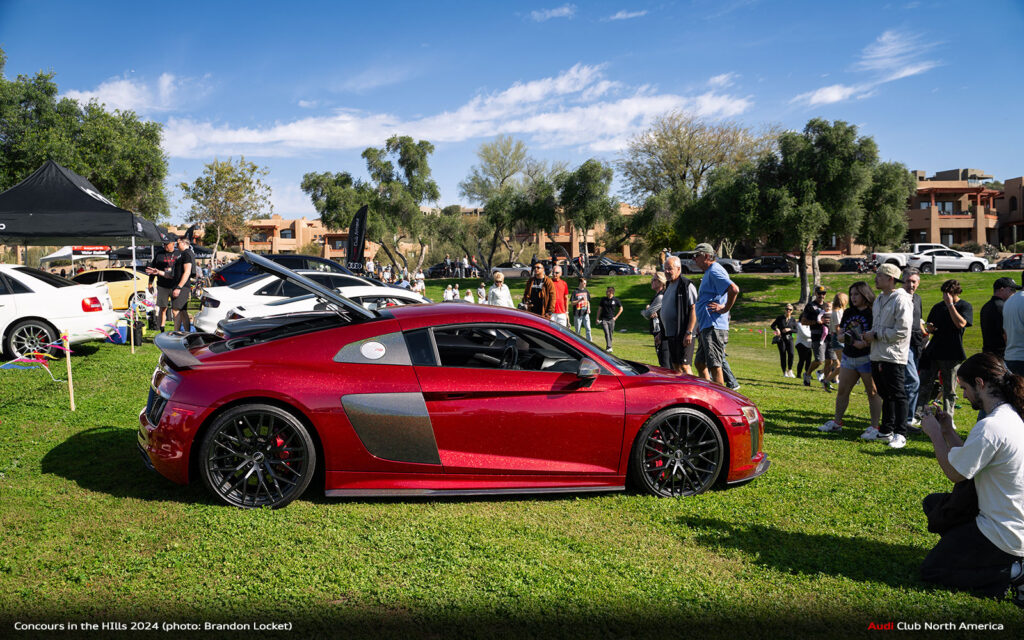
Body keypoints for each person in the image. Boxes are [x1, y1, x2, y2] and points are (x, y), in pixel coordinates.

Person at [919, 353, 1024, 603]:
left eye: (964, 387)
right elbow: (973, 459)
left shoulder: (992, 426)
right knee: (935, 504)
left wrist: (934, 434)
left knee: (933, 570)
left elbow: (956, 474)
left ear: (980, 383)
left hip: (1003, 531)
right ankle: (985, 557)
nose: (963, 395)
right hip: (1010, 520)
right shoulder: (1009, 416)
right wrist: (947, 430)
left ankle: (1013, 573)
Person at [818, 282, 881, 434]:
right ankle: (837, 422)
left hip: (867, 358)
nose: (853, 297)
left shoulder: (873, 312)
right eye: (851, 294)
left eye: (856, 294)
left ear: (865, 295)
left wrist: (864, 342)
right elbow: (840, 334)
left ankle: (874, 426)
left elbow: (877, 334)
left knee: (872, 392)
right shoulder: (848, 313)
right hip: (849, 357)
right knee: (842, 391)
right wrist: (850, 340)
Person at [862, 263, 913, 449]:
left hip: (894, 355)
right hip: (877, 353)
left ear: (891, 279)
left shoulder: (902, 299)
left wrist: (876, 334)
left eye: (880, 276)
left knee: (898, 394)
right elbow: (878, 326)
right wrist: (868, 335)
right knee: (885, 393)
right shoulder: (879, 300)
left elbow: (902, 330)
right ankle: (885, 431)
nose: (875, 279)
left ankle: (900, 433)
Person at [917, 279, 973, 422]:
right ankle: (919, 414)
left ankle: (948, 417)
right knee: (924, 384)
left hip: (952, 353)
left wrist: (950, 305)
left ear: (957, 293)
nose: (945, 297)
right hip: (933, 352)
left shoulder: (964, 306)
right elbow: (928, 327)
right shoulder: (937, 307)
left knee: (949, 389)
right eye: (944, 294)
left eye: (949, 294)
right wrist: (929, 328)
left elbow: (961, 324)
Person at [692, 243, 739, 387]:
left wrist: (724, 308)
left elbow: (734, 289)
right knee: (700, 363)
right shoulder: (709, 272)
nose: (694, 259)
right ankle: (708, 391)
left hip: (714, 326)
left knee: (715, 365)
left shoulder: (714, 271)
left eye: (697, 256)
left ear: (707, 256)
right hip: (707, 326)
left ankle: (720, 399)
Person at [659, 255, 697, 375]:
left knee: (685, 365)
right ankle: (681, 389)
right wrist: (661, 333)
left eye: (670, 268)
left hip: (684, 334)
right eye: (665, 268)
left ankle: (692, 389)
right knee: (675, 366)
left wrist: (689, 332)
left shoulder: (686, 285)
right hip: (670, 334)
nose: (666, 271)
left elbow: (694, 309)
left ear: (679, 269)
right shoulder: (668, 286)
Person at [903, 267, 926, 431]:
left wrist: (925, 332)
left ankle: (903, 417)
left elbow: (917, 320)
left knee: (908, 382)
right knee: (912, 381)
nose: (911, 284)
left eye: (914, 281)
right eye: (908, 281)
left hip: (916, 344)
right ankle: (907, 420)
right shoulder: (898, 297)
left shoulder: (917, 298)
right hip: (902, 345)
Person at [145, 234, 180, 331]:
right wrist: (150, 283)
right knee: (162, 308)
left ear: (173, 243)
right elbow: (152, 270)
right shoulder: (159, 254)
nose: (165, 246)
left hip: (175, 286)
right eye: (164, 244)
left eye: (167, 244)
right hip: (162, 286)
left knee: (175, 309)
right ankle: (161, 329)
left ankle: (176, 331)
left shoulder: (178, 254)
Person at [800, 285, 831, 388]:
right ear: (815, 294)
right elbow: (803, 322)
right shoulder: (810, 306)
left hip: (829, 336)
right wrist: (818, 322)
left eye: (823, 293)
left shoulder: (827, 306)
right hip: (817, 336)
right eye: (819, 293)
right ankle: (807, 374)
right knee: (819, 360)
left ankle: (827, 382)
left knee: (830, 360)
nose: (821, 295)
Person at [981, 277, 1019, 358]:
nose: (1014, 293)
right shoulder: (1002, 307)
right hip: (1000, 355)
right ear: (1002, 289)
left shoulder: (987, 305)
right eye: (1012, 290)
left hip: (988, 353)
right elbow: (1005, 334)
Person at [642, 273, 670, 368]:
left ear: (661, 282)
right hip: (659, 331)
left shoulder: (660, 297)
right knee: (663, 361)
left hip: (662, 332)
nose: (651, 282)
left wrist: (647, 309)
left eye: (654, 280)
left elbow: (647, 314)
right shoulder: (658, 295)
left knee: (665, 363)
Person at [169, 234, 195, 332]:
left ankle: (176, 333)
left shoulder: (186, 254)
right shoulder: (185, 254)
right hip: (182, 286)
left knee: (176, 310)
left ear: (184, 243)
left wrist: (179, 287)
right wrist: (158, 272)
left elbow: (187, 271)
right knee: (183, 311)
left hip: (182, 287)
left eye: (178, 243)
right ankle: (187, 333)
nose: (176, 245)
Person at [823, 293, 848, 388]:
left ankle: (828, 380)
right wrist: (844, 339)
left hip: (839, 338)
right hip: (838, 339)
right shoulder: (837, 312)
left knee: (844, 364)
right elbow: (838, 328)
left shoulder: (840, 311)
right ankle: (827, 380)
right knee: (844, 364)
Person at [771, 304, 798, 378]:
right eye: (787, 309)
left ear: (792, 311)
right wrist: (777, 329)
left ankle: (790, 370)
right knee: (783, 355)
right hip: (781, 339)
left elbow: (797, 330)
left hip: (790, 339)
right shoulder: (780, 318)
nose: (788, 311)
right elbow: (772, 325)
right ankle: (784, 372)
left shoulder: (793, 319)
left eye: (790, 310)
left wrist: (790, 329)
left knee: (791, 354)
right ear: (784, 310)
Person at [597, 287, 623, 352]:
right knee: (606, 333)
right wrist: (597, 318)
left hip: (611, 319)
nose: (606, 292)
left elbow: (621, 309)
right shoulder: (603, 300)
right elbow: (599, 309)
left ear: (611, 292)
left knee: (610, 333)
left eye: (607, 291)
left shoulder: (616, 300)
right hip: (604, 319)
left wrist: (615, 317)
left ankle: (608, 347)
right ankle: (609, 347)